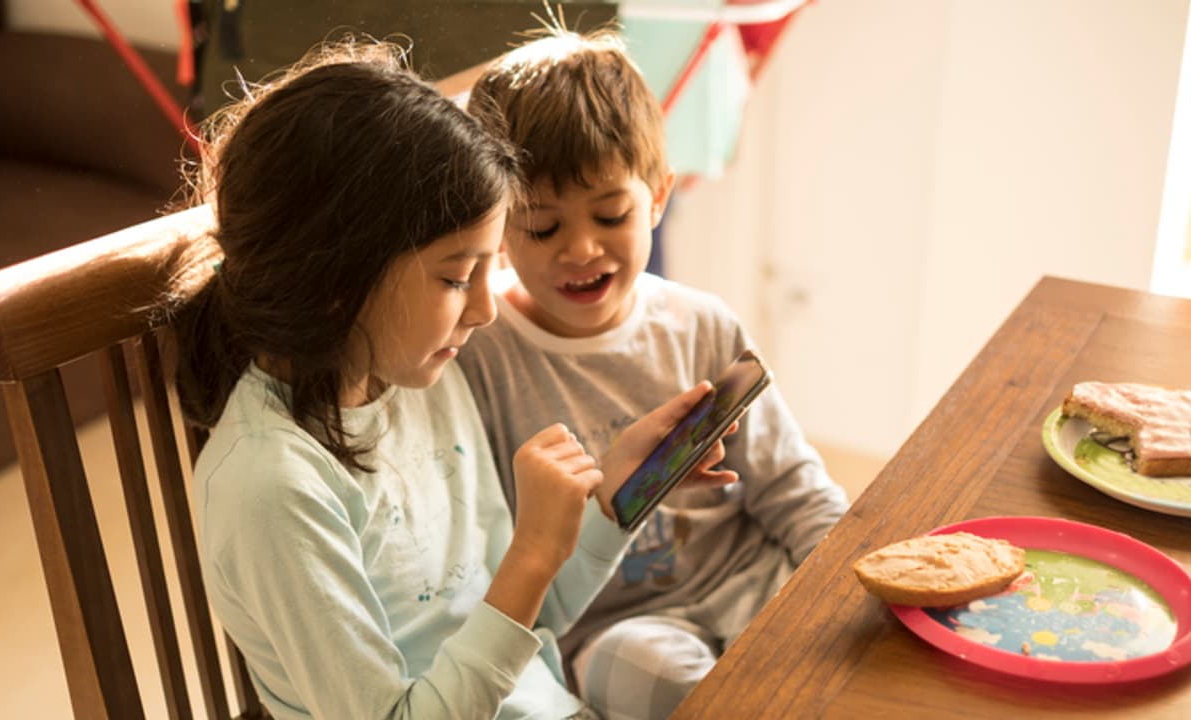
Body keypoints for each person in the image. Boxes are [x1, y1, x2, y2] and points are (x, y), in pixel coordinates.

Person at [164, 40, 737, 720]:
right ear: (337, 278)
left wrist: (614, 501)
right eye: (456, 277)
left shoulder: (417, 380)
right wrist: (528, 558)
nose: (486, 307)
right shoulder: (271, 486)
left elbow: (525, 624)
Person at [459, 29, 850, 719]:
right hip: (617, 629)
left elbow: (791, 484)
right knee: (651, 678)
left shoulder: (703, 325)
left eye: (611, 215)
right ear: (496, 228)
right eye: (542, 228)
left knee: (841, 646)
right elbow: (491, 552)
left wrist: (847, 575)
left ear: (659, 197)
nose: (580, 248)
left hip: (754, 578)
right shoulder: (479, 355)